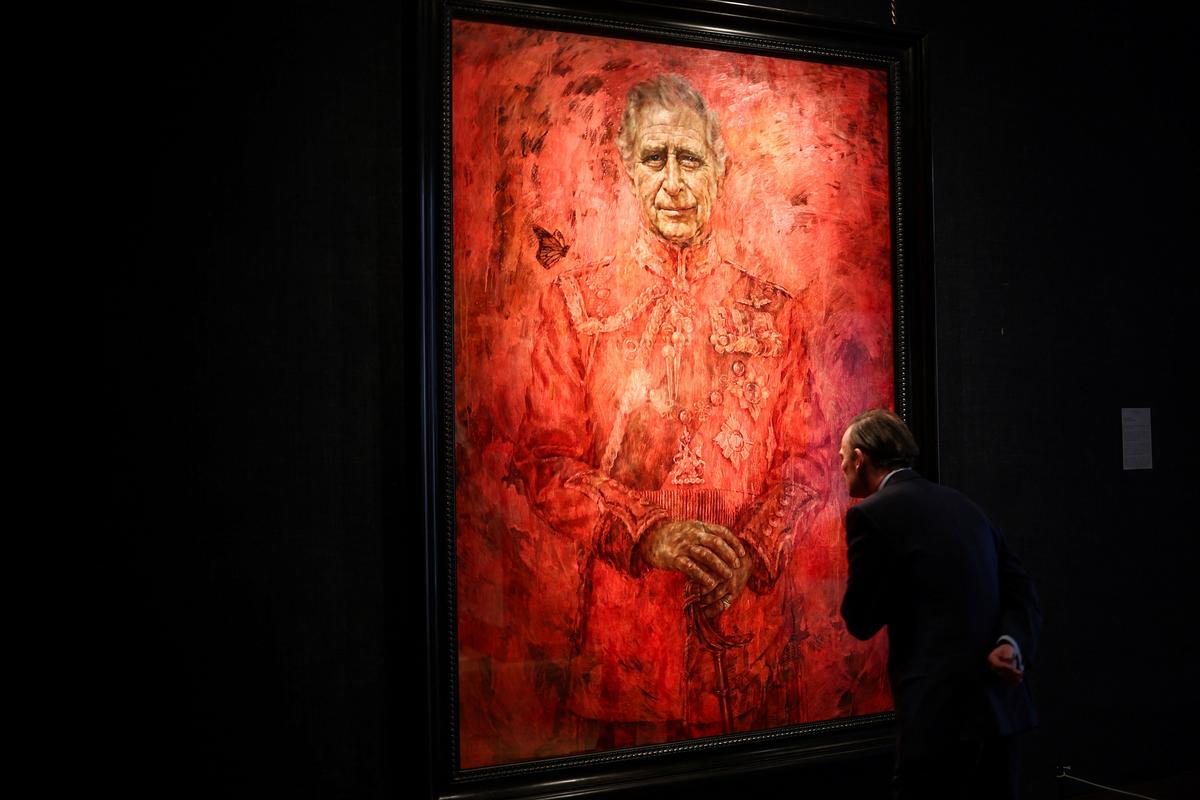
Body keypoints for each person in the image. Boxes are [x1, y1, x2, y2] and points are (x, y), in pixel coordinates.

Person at [513, 74, 827, 746]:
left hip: (751, 651)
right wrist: (647, 532)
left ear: (719, 167)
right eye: (656, 159)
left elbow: (813, 461)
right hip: (626, 651)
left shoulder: (778, 312)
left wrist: (750, 550)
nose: (674, 182)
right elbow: (543, 461)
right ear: (628, 168)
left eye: (690, 159)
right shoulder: (574, 307)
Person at [837, 409, 1042, 799]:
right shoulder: (964, 505)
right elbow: (1022, 588)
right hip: (1000, 712)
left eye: (843, 456)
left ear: (861, 458)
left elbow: (861, 619)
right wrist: (1009, 642)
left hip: (938, 719)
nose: (842, 464)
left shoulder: (871, 516)